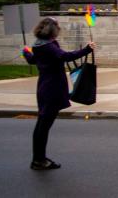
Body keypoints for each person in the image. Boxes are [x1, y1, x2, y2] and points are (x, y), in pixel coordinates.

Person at [21, 18, 96, 170]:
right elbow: (64, 56)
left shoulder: (38, 45)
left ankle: (38, 158)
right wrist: (87, 49)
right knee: (44, 125)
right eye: (57, 27)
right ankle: (38, 160)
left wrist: (25, 52)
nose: (59, 29)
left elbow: (32, 60)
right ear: (52, 30)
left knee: (42, 124)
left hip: (44, 87)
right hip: (52, 88)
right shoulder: (49, 46)